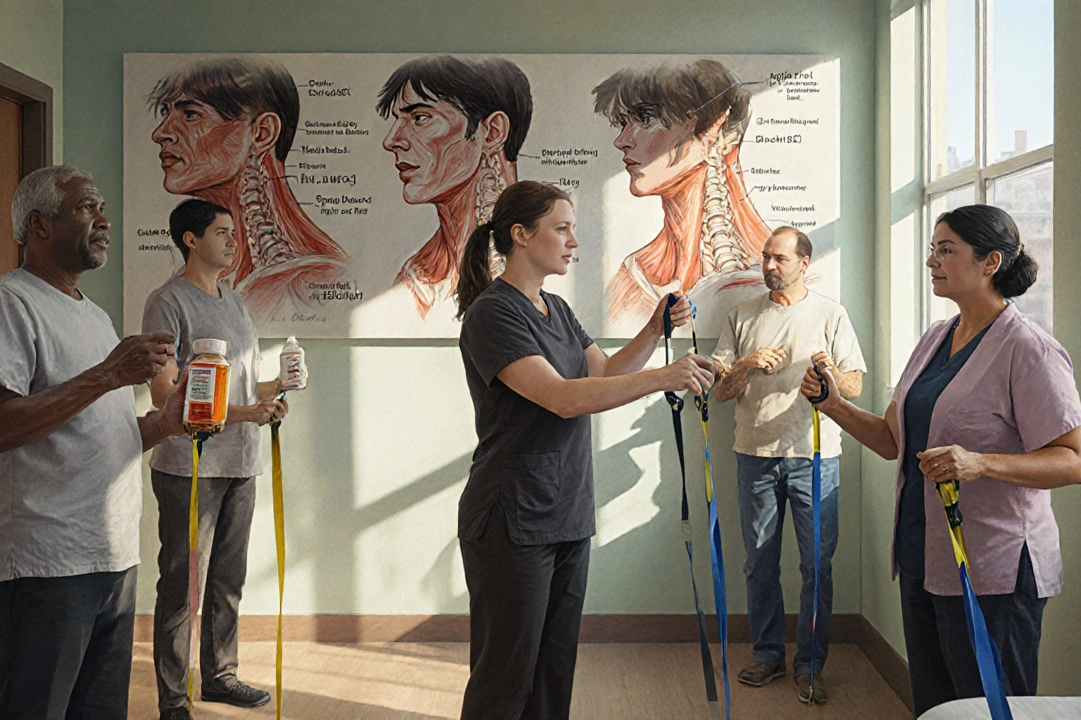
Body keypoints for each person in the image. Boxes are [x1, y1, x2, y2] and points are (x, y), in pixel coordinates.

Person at [799, 205, 1081, 717]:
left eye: (947, 250)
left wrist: (981, 463)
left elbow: (1076, 462)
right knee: (938, 708)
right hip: (924, 559)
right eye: (933, 249)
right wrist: (835, 407)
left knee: (991, 708)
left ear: (990, 262)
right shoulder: (936, 337)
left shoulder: (1029, 350)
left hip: (994, 572)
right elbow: (895, 441)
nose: (932, 260)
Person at [454, 181, 714, 719]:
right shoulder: (492, 314)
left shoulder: (556, 308)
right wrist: (666, 375)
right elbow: (561, 398)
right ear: (521, 235)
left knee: (553, 672)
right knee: (506, 677)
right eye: (563, 228)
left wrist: (653, 328)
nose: (573, 241)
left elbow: (605, 372)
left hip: (567, 512)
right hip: (512, 519)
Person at [0, 166, 186, 719]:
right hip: (41, 568)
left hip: (110, 559)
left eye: (101, 206)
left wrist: (167, 422)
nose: (103, 219)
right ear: (39, 226)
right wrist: (109, 374)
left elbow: (103, 436)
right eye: (87, 208)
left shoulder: (95, 317)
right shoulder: (8, 304)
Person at [142, 199, 290, 719]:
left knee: (228, 580)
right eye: (222, 232)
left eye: (234, 232)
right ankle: (173, 700)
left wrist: (276, 392)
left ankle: (221, 677)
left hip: (241, 463)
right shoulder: (167, 302)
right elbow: (164, 395)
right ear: (190, 239)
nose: (233, 240)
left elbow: (245, 385)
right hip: (189, 467)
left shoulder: (235, 299)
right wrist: (247, 411)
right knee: (183, 587)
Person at [710, 226, 865, 705]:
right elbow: (720, 391)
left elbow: (854, 388)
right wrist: (748, 364)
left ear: (804, 263)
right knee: (759, 563)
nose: (770, 266)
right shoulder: (742, 316)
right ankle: (768, 655)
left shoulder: (829, 314)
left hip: (815, 460)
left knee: (817, 565)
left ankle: (811, 667)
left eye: (779, 258)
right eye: (765, 257)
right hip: (754, 457)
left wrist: (829, 373)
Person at [150, 57, 347, 319]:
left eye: (190, 114)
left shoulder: (313, 282)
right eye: (166, 112)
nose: (161, 133)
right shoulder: (185, 290)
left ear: (261, 133)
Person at [593, 59, 773, 326]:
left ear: (714, 128)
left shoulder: (772, 273)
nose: (621, 141)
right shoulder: (632, 276)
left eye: (645, 118)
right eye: (622, 122)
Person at [378, 55, 533, 317]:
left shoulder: (535, 257)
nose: (392, 140)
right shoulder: (414, 277)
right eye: (397, 120)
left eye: (419, 117)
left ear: (492, 131)